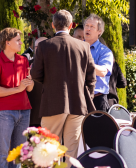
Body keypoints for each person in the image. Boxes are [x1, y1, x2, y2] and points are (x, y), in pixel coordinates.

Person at [32, 10, 96, 158]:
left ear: (53, 25)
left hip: (52, 103)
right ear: (71, 25)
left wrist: (50, 84)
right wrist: (88, 96)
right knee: (71, 151)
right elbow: (91, 77)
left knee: (49, 149)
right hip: (78, 103)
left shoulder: (44, 46)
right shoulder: (83, 46)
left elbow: (35, 74)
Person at [0, 28, 34, 168]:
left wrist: (30, 83)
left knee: (19, 151)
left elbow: (29, 88)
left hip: (24, 110)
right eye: (18, 40)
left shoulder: (23, 60)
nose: (21, 43)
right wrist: (18, 88)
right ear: (7, 42)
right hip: (4, 112)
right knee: (2, 152)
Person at [81, 15, 115, 112]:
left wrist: (84, 63)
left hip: (97, 100)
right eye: (86, 25)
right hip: (78, 99)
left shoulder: (105, 52)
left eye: (92, 27)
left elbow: (103, 71)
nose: (88, 28)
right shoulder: (76, 47)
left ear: (99, 32)